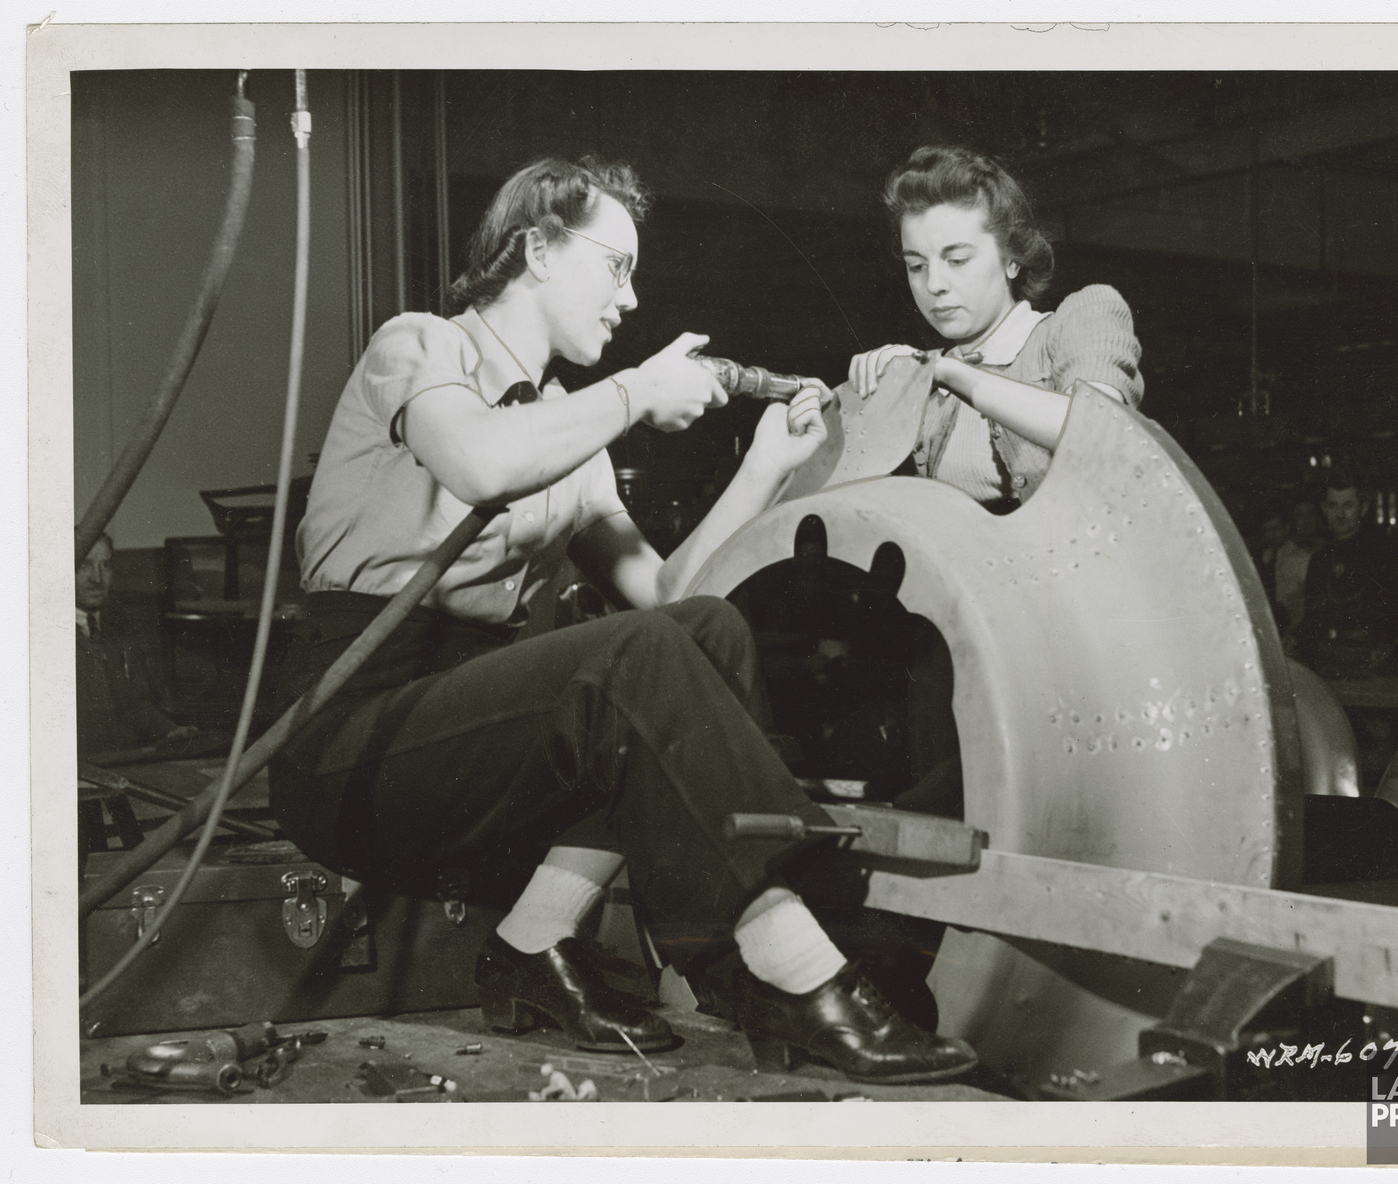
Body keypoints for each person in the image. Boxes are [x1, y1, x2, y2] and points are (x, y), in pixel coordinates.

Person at [270, 156, 977, 1084]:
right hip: (356, 736)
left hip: (470, 732)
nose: (631, 298)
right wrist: (638, 394)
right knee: (643, 655)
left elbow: (675, 598)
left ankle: (533, 942)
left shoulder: (571, 427)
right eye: (616, 266)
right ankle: (788, 966)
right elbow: (481, 464)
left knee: (700, 635)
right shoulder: (420, 347)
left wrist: (764, 467)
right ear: (536, 248)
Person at [847, 144, 1144, 513]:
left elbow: (1099, 428)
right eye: (917, 266)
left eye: (957, 260)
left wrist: (946, 371)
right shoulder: (931, 377)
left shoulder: (1085, 314)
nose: (934, 283)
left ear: (1012, 260)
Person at [75, 533, 196, 757]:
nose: (97, 578)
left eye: (106, 566)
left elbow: (136, 705)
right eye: (85, 566)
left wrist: (170, 732)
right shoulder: (45, 637)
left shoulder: (120, 627)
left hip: (127, 766)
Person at [1294, 472, 1398, 678]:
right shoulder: (1320, 560)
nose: (1340, 514)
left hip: (1376, 665)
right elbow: (1312, 619)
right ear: (1324, 509)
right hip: (1328, 666)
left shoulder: (1385, 553)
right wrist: (1293, 639)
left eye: (1348, 505)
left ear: (1363, 508)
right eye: (1333, 506)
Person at [1273, 498, 1324, 631]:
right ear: (1292, 520)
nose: (1306, 520)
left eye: (1311, 514)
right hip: (1293, 631)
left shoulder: (1328, 551)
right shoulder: (1282, 555)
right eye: (1300, 515)